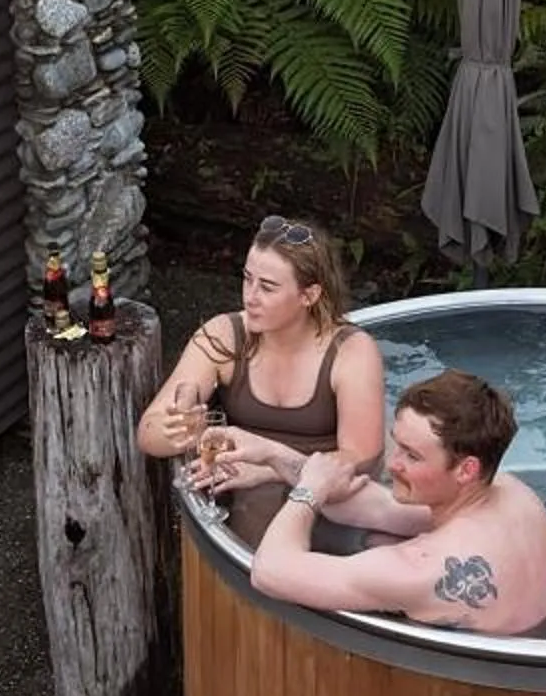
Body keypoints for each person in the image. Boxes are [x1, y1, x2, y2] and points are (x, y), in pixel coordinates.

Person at [202, 370, 546, 640]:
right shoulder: (513, 492)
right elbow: (377, 507)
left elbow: (270, 570)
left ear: (466, 469)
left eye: (412, 456)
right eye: (396, 444)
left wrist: (307, 494)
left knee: (376, 545)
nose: (391, 463)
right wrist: (273, 457)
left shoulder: (419, 568)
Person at [136, 214, 385, 539]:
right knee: (255, 506)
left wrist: (269, 469)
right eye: (247, 279)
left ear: (308, 295)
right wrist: (178, 432)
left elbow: (361, 458)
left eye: (267, 287)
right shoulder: (225, 336)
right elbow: (148, 431)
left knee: (266, 500)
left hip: (329, 502)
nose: (250, 296)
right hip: (244, 503)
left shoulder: (351, 352)